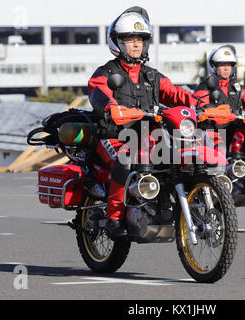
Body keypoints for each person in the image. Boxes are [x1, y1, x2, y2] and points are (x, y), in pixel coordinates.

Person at [88, 6, 196, 237]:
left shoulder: (152, 76)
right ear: (117, 42)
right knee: (125, 159)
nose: (136, 44)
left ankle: (169, 205)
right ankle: (114, 218)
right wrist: (111, 107)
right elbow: (97, 91)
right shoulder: (106, 72)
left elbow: (176, 93)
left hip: (149, 138)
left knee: (179, 156)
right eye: (129, 39)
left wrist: (199, 102)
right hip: (114, 137)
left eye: (140, 39)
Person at [193, 44, 245, 149]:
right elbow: (200, 107)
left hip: (236, 130)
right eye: (222, 65)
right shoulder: (204, 88)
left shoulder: (237, 87)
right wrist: (212, 111)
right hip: (214, 133)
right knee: (219, 155)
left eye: (229, 65)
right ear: (214, 66)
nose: (226, 68)